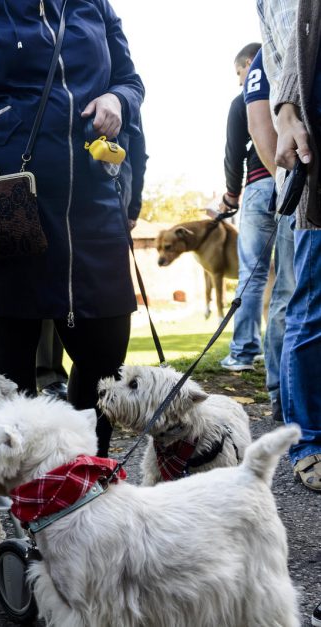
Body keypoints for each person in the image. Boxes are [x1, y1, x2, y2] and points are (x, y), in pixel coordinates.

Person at [0, 0, 143, 456]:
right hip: (4, 204)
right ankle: (11, 495)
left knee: (105, 355)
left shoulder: (93, 4)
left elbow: (130, 81)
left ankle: (85, 474)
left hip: (92, 203)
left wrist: (118, 99)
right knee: (9, 358)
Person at [273, 0, 321, 494]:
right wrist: (287, 111)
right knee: (310, 307)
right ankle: (308, 442)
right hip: (317, 166)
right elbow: (299, 42)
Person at [219, 43, 278, 372]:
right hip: (292, 184)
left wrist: (231, 195)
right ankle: (280, 356)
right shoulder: (288, 85)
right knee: (288, 277)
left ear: (247, 65)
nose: (238, 80)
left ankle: (242, 352)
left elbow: (233, 153)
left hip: (258, 186)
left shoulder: (242, 99)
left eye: (238, 72)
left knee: (253, 275)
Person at [244, 47, 296, 422]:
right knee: (288, 292)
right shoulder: (267, 56)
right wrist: (289, 184)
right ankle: (282, 393)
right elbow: (260, 128)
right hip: (293, 187)